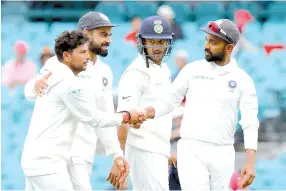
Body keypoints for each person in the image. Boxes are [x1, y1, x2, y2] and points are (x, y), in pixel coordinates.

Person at [143, 19, 259, 190]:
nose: (206, 46)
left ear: (229, 48)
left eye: (213, 42)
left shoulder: (243, 80)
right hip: (191, 149)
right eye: (206, 40)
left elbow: (250, 122)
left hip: (223, 151)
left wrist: (250, 162)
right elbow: (169, 102)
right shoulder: (192, 70)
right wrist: (147, 112)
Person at [21, 30, 144, 191]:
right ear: (66, 56)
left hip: (35, 161)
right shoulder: (69, 83)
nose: (88, 56)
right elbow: (94, 118)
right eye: (82, 52)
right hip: (48, 165)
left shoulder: (56, 70)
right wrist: (126, 116)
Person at [116, 15, 176, 190]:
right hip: (142, 148)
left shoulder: (164, 69)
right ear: (142, 42)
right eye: (152, 41)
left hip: (158, 148)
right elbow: (123, 118)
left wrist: (166, 150)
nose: (157, 47)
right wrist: (121, 158)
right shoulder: (135, 73)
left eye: (161, 42)